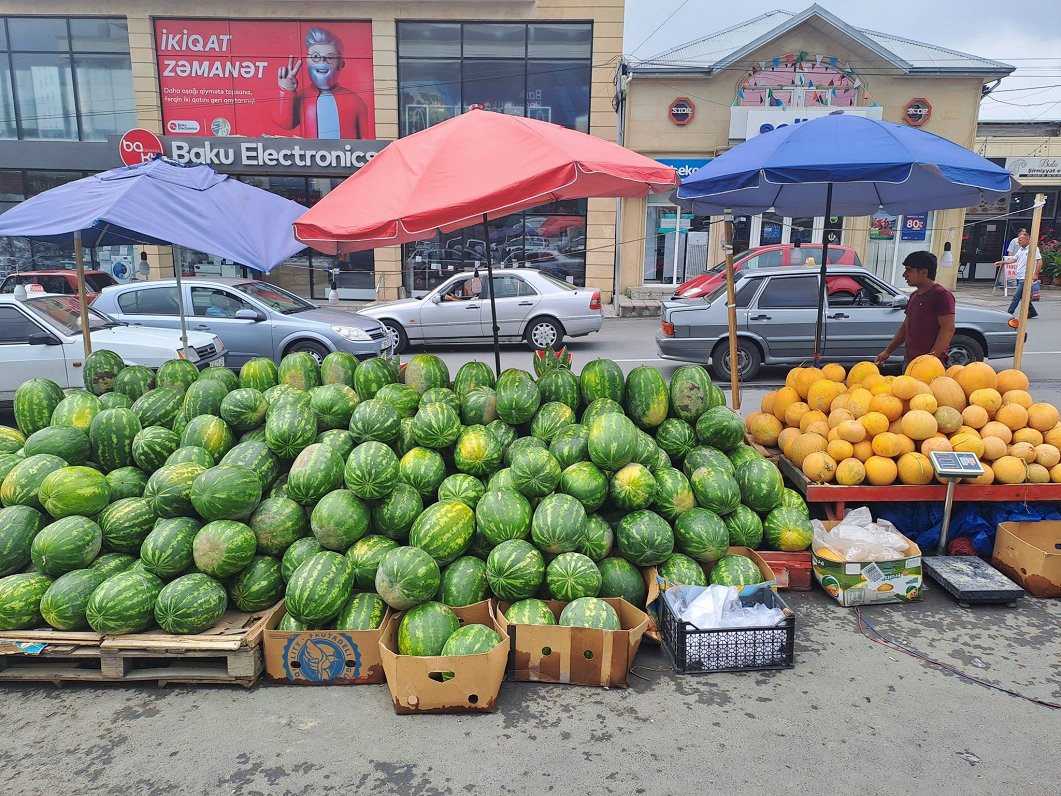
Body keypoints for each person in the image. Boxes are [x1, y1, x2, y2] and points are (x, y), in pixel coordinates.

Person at [273, 27, 370, 139]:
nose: (322, 61)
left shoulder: (354, 101)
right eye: (315, 57)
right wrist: (286, 91)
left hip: (346, 154)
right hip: (310, 155)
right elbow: (284, 123)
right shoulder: (302, 97)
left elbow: (366, 141)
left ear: (341, 64)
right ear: (307, 61)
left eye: (329, 57)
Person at [875, 251, 955, 366]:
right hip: (910, 360)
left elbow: (948, 329)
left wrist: (930, 360)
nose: (904, 274)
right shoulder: (914, 296)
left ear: (924, 272)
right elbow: (905, 327)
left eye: (909, 270)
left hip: (930, 365)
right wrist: (887, 351)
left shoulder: (942, 295)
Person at [995, 229, 1041, 326]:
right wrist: (1002, 262)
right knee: (1022, 296)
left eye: (1020, 240)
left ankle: (1009, 313)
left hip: (1026, 277)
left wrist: (1035, 274)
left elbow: (1039, 261)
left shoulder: (1033, 249)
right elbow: (1013, 259)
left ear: (1027, 239)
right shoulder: (1021, 250)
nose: (1018, 242)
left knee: (1016, 296)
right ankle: (1032, 311)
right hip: (1019, 276)